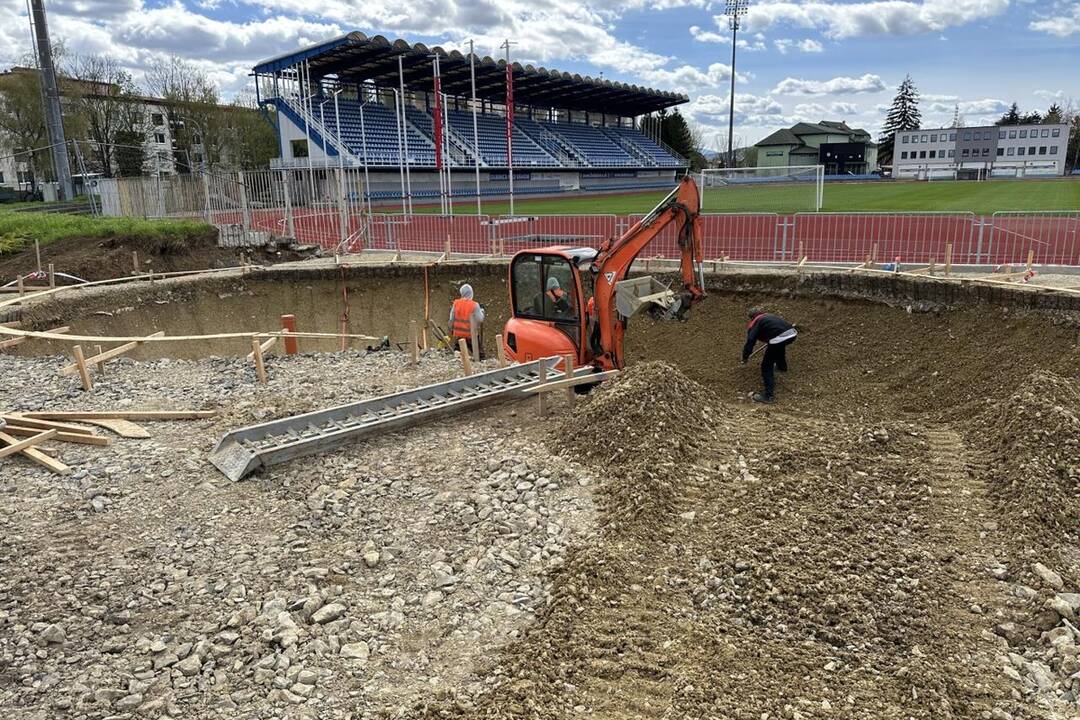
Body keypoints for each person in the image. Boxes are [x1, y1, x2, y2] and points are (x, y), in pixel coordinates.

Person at [741, 306, 797, 404]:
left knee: (766, 366)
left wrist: (745, 356)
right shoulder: (769, 316)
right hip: (792, 333)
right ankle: (782, 367)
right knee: (779, 346)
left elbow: (750, 340)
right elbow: (777, 328)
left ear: (751, 317)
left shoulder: (756, 322)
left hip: (780, 337)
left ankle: (768, 396)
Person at [449, 284, 485, 357]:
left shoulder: (456, 304)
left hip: (458, 334)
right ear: (471, 293)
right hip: (470, 335)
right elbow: (480, 319)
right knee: (479, 355)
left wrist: (452, 330)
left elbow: (451, 319)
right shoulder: (474, 305)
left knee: (458, 353)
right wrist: (482, 311)